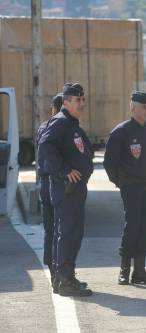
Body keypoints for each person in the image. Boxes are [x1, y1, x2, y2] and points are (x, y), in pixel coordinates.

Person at [38, 83, 94, 297]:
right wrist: (64, 170)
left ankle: (67, 277)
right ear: (67, 102)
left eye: (83, 99)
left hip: (75, 190)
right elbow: (45, 147)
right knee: (67, 233)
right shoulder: (60, 123)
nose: (82, 103)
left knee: (73, 233)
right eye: (78, 100)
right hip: (66, 189)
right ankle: (63, 279)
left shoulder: (72, 124)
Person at [103, 91, 146, 285]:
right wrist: (121, 182)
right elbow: (109, 163)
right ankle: (124, 270)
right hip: (131, 186)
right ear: (133, 108)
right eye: (144, 107)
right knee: (132, 225)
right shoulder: (121, 132)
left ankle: (140, 270)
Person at [36, 93, 62, 289]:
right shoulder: (63, 128)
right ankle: (60, 272)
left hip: (44, 183)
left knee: (49, 230)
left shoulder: (43, 127)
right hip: (57, 183)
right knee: (63, 230)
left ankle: (54, 271)